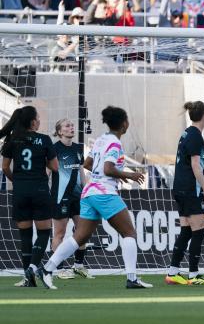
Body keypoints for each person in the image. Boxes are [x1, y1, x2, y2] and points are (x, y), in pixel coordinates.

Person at [39, 107, 152, 289]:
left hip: (89, 192)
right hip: (104, 193)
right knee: (129, 233)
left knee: (79, 237)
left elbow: (88, 164)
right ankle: (132, 278)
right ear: (124, 124)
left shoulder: (101, 140)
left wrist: (116, 175)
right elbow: (107, 169)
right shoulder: (115, 143)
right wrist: (128, 175)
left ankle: (47, 269)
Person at [1, 106, 58, 287]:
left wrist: (17, 180)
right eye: (38, 118)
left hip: (20, 191)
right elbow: (55, 167)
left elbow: (4, 168)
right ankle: (33, 267)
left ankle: (27, 279)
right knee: (43, 232)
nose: (40, 121)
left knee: (25, 235)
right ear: (33, 122)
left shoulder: (12, 140)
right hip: (40, 190)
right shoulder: (44, 139)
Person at [165, 101, 204, 286]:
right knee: (198, 231)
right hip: (189, 189)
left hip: (180, 188)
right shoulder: (195, 136)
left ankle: (173, 272)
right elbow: (195, 165)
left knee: (186, 231)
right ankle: (194, 275)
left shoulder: (187, 133)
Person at [50, 118, 92, 280]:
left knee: (83, 231)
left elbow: (81, 171)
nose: (71, 127)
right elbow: (48, 174)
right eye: (67, 126)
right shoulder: (53, 149)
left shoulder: (77, 148)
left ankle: (79, 266)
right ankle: (59, 269)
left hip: (78, 198)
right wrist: (48, 196)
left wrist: (86, 190)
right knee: (59, 233)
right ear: (60, 131)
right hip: (60, 198)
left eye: (72, 125)